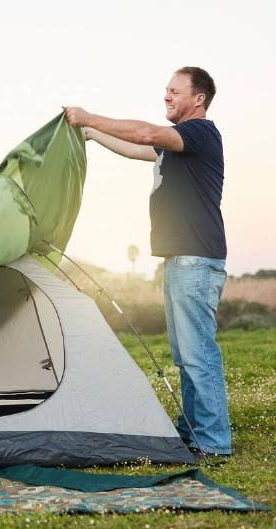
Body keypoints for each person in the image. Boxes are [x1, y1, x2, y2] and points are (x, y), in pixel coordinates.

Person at [64, 66, 231, 456]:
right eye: (165, 91)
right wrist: (90, 134)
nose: (167, 97)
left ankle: (214, 441)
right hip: (180, 260)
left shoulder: (201, 133)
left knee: (198, 354)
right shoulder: (177, 147)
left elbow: (148, 133)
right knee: (185, 355)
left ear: (198, 99)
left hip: (196, 260)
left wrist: (89, 116)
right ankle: (194, 431)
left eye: (175, 91)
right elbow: (138, 147)